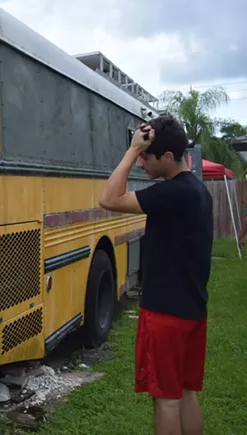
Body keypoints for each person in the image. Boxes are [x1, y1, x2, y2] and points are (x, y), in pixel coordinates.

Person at [98, 115, 213, 435]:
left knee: (166, 401)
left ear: (166, 158)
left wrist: (130, 150)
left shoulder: (172, 193)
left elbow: (109, 199)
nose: (140, 165)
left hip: (165, 314)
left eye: (145, 158)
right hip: (192, 311)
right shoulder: (198, 192)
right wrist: (138, 149)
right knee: (186, 394)